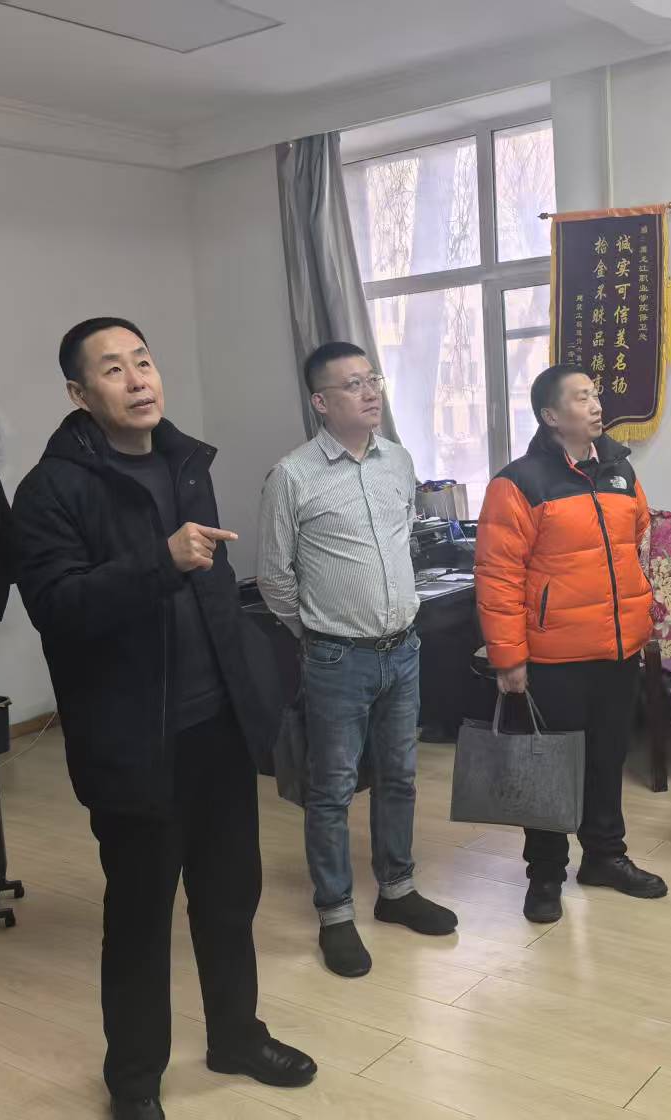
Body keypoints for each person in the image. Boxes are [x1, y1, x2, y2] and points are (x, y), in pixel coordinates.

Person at [12, 318, 315, 1120]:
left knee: (230, 898)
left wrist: (252, 695)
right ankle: (134, 1080)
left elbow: (213, 594)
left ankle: (236, 1037)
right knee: (140, 919)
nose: (138, 379)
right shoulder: (51, 491)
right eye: (113, 369)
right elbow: (57, 608)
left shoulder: (185, 463)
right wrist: (161, 560)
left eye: (143, 361)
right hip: (134, 741)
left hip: (216, 729)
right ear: (80, 393)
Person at [258, 341, 457, 979]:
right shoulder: (292, 476)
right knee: (332, 789)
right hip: (336, 657)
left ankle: (396, 890)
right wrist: (319, 633)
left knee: (400, 777)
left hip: (404, 649)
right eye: (352, 384)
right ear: (321, 402)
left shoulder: (398, 460)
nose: (369, 393)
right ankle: (336, 913)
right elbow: (275, 578)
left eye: (373, 380)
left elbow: (402, 541)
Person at [474, 363, 669, 924]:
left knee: (608, 759)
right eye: (581, 398)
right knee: (550, 769)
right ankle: (545, 875)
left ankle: (605, 857)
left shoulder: (619, 470)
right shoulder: (519, 482)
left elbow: (636, 535)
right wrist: (508, 658)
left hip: (616, 648)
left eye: (596, 395)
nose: (596, 405)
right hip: (553, 657)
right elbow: (497, 575)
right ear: (551, 416)